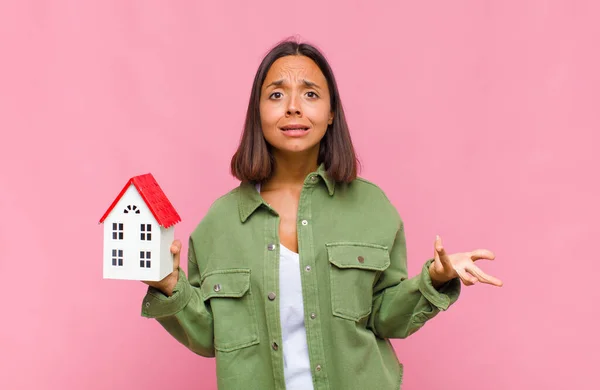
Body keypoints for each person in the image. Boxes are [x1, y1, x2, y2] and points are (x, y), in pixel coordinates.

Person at [140, 38, 503, 390]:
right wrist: (170, 288)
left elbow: (387, 318)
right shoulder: (219, 222)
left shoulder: (372, 208)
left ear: (331, 114)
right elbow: (209, 338)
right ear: (258, 113)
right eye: (277, 94)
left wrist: (434, 279)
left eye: (310, 94)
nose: (293, 107)